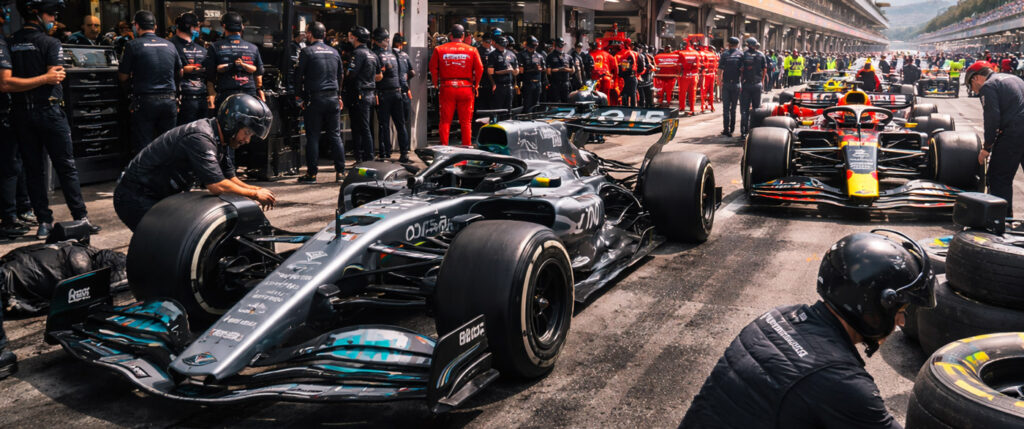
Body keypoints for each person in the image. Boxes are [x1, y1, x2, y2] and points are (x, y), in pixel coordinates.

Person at [680, 230, 936, 429]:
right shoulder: (842, 382)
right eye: (900, 310)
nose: (901, 322)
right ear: (870, 305)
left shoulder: (779, 315)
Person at [113, 94, 275, 231]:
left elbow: (229, 178)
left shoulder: (220, 139)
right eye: (247, 133)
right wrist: (254, 194)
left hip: (159, 196)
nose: (246, 140)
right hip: (135, 197)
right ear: (232, 123)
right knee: (173, 243)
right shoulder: (201, 138)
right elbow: (217, 185)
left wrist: (256, 189)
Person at [10, 0, 98, 240]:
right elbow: (55, 76)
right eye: (50, 14)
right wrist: (46, 77)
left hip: (22, 113)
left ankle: (44, 222)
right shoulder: (51, 42)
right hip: (49, 111)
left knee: (33, 169)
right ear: (36, 13)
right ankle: (80, 217)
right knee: (66, 166)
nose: (53, 19)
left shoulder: (11, 42)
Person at [119, 10, 182, 151]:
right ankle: (167, 173)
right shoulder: (170, 45)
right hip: (169, 101)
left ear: (136, 26)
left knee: (144, 146)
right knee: (168, 144)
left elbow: (123, 76)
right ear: (155, 27)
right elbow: (180, 72)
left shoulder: (132, 45)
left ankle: (145, 173)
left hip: (145, 101)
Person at [967, 61, 1024, 216]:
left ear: (977, 78)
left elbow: (992, 119)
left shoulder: (989, 86)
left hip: (1014, 132)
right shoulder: (1014, 79)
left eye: (971, 85)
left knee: (999, 177)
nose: (974, 90)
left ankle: (1001, 220)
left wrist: (987, 147)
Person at [295, 22, 345, 184]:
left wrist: (300, 97)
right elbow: (341, 76)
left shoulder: (307, 52)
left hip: (315, 98)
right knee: (335, 135)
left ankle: (312, 174)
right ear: (324, 35)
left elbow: (298, 77)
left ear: (310, 34)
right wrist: (338, 96)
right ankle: (340, 172)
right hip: (332, 98)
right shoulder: (335, 52)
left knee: (313, 137)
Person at [428, 24, 483, 146]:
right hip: (466, 87)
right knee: (466, 122)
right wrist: (476, 84)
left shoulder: (439, 49)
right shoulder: (472, 50)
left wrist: (435, 83)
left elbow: (433, 68)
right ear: (463, 36)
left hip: (447, 87)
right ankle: (467, 148)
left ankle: (444, 148)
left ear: (450, 36)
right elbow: (480, 69)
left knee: (445, 121)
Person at [203, 11, 265, 117]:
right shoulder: (253, 48)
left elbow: (210, 75)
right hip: (249, 95)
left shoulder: (215, 47)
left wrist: (212, 95)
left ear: (224, 26)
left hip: (226, 95)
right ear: (242, 27)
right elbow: (259, 78)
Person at [371, 27, 409, 162]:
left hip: (383, 94)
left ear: (375, 40)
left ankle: (385, 154)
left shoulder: (374, 55)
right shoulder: (395, 54)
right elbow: (403, 74)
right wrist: (404, 89)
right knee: (400, 124)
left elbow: (376, 77)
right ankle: (404, 153)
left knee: (384, 125)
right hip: (398, 92)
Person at [342, 26, 380, 161]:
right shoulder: (372, 54)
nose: (349, 37)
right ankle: (363, 157)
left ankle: (366, 158)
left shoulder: (357, 54)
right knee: (364, 127)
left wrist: (346, 74)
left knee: (360, 128)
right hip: (369, 93)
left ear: (356, 37)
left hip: (359, 94)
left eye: (351, 35)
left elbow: (351, 75)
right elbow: (379, 75)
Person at [171, 12, 207, 126]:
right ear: (192, 28)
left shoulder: (168, 45)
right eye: (198, 27)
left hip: (193, 98)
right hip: (182, 99)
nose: (199, 29)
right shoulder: (170, 46)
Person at [738, 38, 766, 138]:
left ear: (748, 45)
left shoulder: (743, 55)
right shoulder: (761, 55)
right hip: (757, 85)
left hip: (746, 85)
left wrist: (741, 82)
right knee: (756, 109)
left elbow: (741, 70)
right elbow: (765, 69)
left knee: (744, 110)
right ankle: (755, 131)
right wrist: (762, 82)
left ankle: (744, 132)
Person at [717, 37, 742, 137]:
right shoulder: (741, 54)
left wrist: (719, 81)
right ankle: (732, 128)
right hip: (736, 84)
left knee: (726, 108)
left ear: (729, 44)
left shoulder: (724, 54)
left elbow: (720, 70)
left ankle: (726, 129)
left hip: (726, 84)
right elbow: (743, 70)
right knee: (734, 108)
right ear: (737, 44)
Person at [486, 35, 517, 112]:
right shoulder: (492, 55)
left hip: (509, 85)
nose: (502, 46)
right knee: (498, 107)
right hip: (499, 85)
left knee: (509, 107)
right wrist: (493, 84)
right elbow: (490, 72)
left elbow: (516, 70)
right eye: (500, 44)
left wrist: (514, 83)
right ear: (496, 44)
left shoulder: (511, 54)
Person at [393, 33, 415, 144]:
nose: (402, 46)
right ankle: (404, 150)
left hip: (393, 91)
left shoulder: (390, 55)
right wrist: (406, 78)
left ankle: (385, 151)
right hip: (403, 91)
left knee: (387, 123)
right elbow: (412, 72)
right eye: (401, 44)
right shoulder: (405, 55)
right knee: (402, 123)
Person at [546, 38, 576, 104]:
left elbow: (573, 70)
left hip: (565, 83)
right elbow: (548, 71)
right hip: (555, 83)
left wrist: (565, 69)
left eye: (562, 46)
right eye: (559, 46)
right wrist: (561, 69)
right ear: (555, 46)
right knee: (556, 102)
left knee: (566, 101)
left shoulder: (568, 57)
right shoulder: (550, 56)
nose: (560, 48)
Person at [518, 36, 544, 110]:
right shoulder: (521, 55)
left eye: (535, 46)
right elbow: (521, 71)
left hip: (538, 82)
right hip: (527, 82)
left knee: (536, 104)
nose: (533, 48)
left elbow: (543, 69)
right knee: (527, 103)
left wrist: (540, 69)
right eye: (532, 46)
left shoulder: (539, 56)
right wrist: (533, 69)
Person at [678, 40, 700, 115]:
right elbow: (698, 65)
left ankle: (682, 108)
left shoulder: (681, 53)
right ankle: (692, 108)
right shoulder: (696, 53)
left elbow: (679, 65)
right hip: (694, 76)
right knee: (692, 93)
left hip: (684, 75)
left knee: (682, 93)